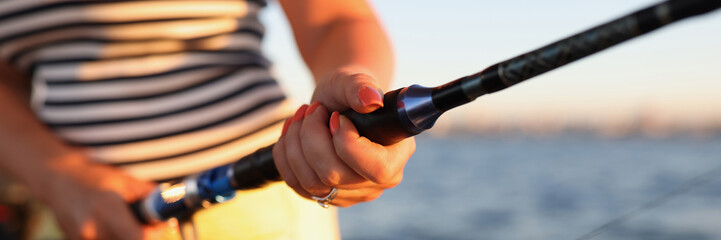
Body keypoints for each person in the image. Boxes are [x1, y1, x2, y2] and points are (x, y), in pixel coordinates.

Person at [0, 0, 415, 239]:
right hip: (71, 216)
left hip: (261, 206)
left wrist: (354, 94)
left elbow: (334, 18)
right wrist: (61, 179)